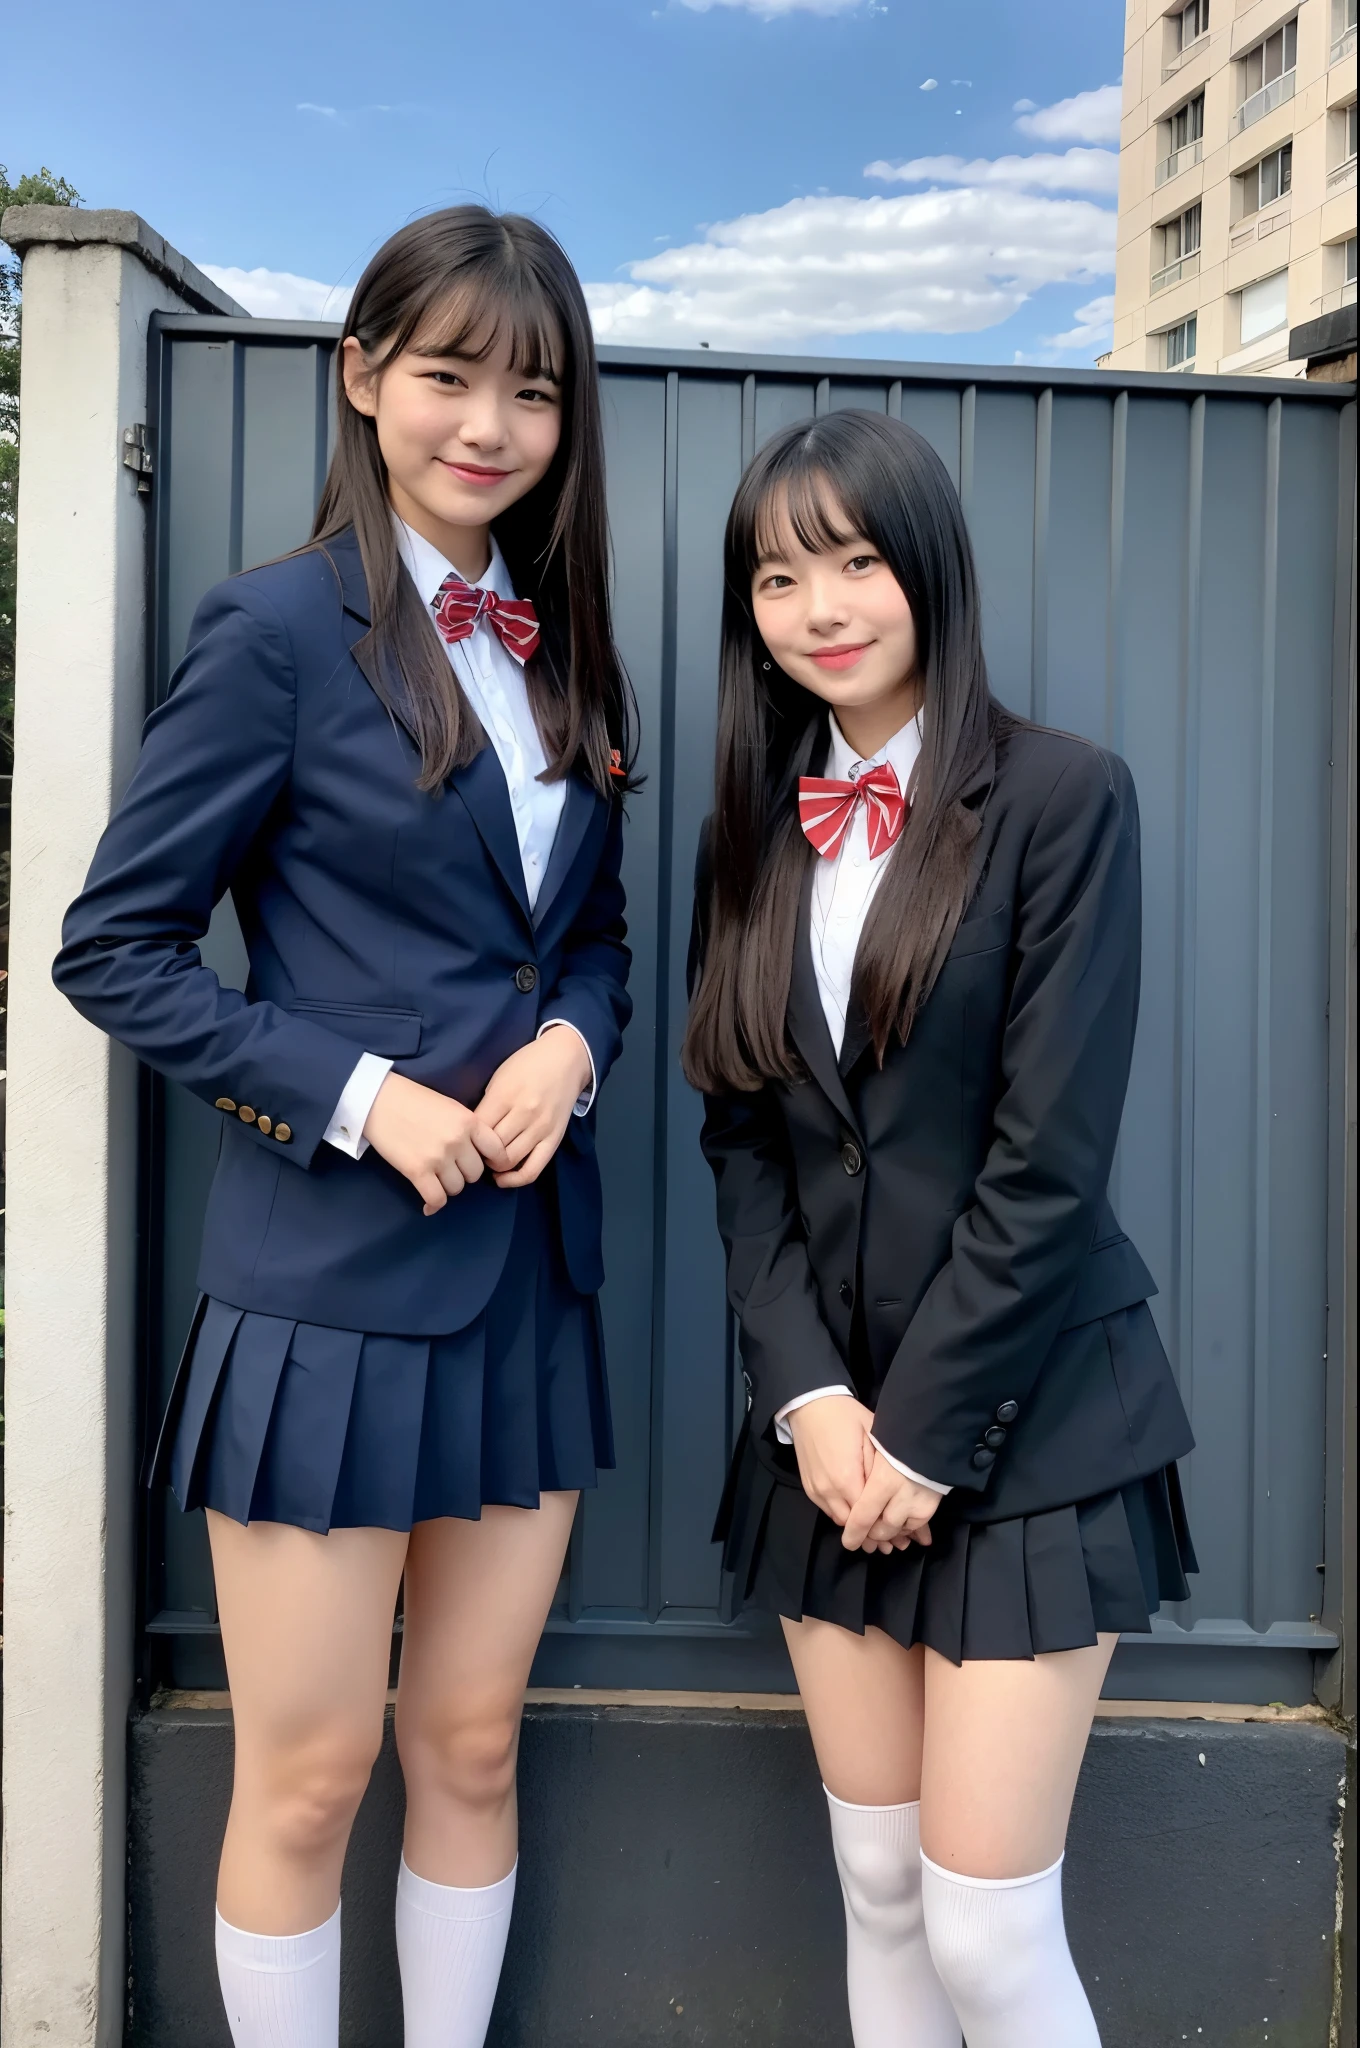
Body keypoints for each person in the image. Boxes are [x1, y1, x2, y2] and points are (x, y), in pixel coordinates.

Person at [54, 206, 635, 2048]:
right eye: (450, 375)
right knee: (307, 1783)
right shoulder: (276, 631)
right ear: (364, 377)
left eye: (530, 391)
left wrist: (573, 1046)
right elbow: (115, 951)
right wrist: (361, 1097)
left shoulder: (565, 653)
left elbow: (595, 942)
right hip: (323, 1305)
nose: (489, 423)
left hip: (527, 1284)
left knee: (470, 1745)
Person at [684, 410, 1196, 2048]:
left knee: (985, 1933)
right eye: (777, 574)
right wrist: (810, 1400)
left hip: (1028, 1425)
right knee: (879, 1888)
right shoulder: (749, 831)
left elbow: (1050, 1164)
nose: (819, 605)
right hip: (823, 1441)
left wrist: (922, 1433)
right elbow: (741, 1137)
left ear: (929, 570)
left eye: (854, 559)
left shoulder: (1063, 800)